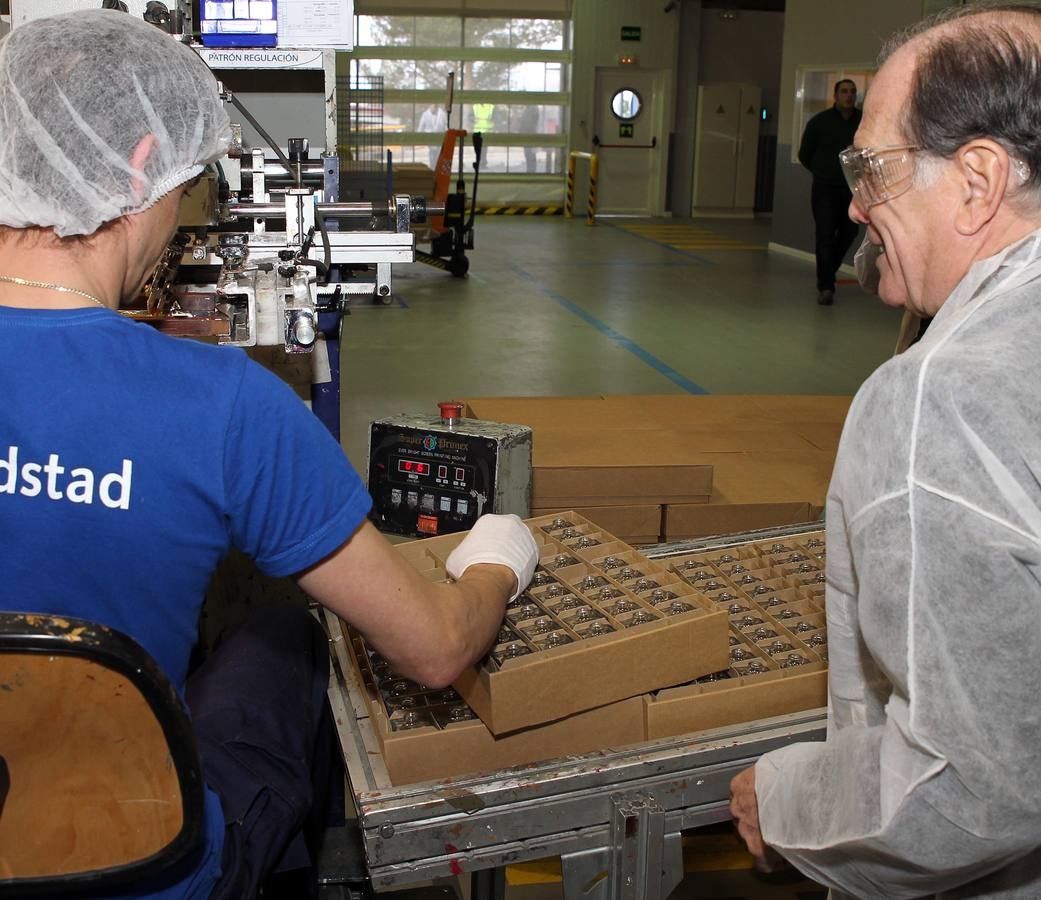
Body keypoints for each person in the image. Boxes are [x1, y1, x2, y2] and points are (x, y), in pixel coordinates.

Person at [0, 10, 538, 900]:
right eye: (186, 183)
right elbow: (436, 652)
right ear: (140, 165)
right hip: (136, 868)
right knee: (291, 628)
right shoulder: (221, 405)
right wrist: (494, 564)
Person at [731, 5, 1041, 897]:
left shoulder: (940, 396)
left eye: (874, 168)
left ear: (979, 181)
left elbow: (967, 783)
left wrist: (783, 801)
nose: (858, 202)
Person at [798, 78, 861, 306]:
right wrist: (821, 170)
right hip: (825, 187)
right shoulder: (819, 122)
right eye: (844, 91)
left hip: (851, 188)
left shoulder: (862, 122)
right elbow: (805, 154)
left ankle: (828, 269)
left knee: (849, 232)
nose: (849, 95)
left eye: (853, 92)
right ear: (836, 95)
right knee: (825, 234)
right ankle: (826, 286)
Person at [417, 101, 448, 169]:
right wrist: (418, 138)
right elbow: (421, 127)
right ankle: (433, 170)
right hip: (430, 140)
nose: (434, 108)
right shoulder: (425, 114)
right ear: (430, 105)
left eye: (435, 106)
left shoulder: (442, 114)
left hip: (440, 139)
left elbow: (446, 126)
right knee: (432, 156)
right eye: (432, 106)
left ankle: (437, 171)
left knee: (439, 157)